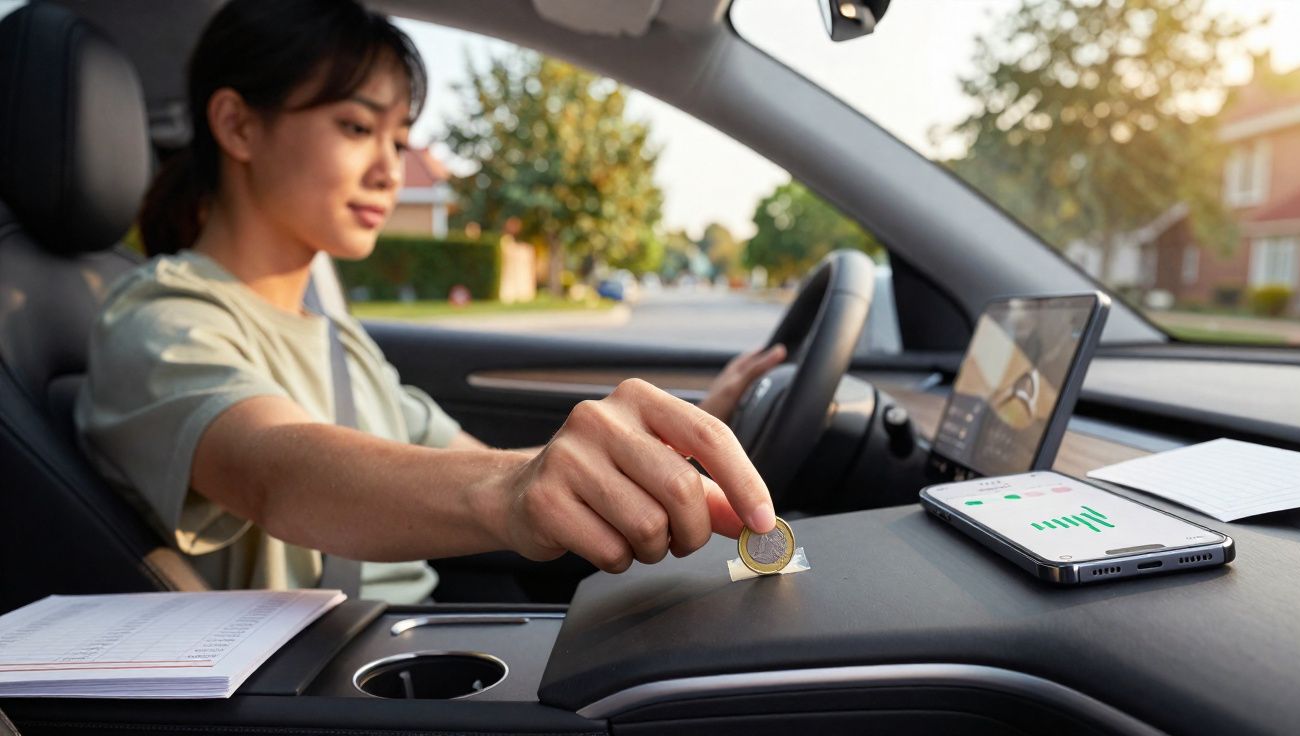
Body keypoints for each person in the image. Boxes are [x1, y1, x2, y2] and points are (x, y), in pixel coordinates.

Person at [75, 0, 786, 604]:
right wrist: (513, 493)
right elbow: (277, 473)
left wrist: (662, 445)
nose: (391, 170)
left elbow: (499, 463)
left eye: (401, 137)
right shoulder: (158, 321)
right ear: (237, 126)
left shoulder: (337, 339)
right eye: (357, 128)